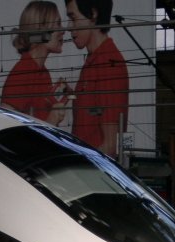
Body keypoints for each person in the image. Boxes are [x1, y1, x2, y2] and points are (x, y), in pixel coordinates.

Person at [64, 0, 129, 158]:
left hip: (90, 175)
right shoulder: (94, 61)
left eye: (73, 18)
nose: (69, 27)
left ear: (93, 14)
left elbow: (110, 146)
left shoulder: (107, 63)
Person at [1, 1, 70, 127]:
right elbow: (7, 129)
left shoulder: (43, 73)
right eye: (58, 24)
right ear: (41, 32)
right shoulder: (22, 73)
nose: (63, 31)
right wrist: (51, 121)